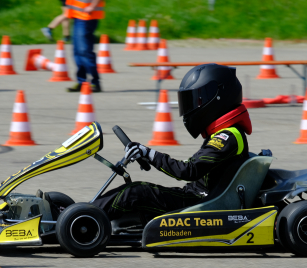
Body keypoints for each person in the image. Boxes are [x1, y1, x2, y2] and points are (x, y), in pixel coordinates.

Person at [92, 63, 253, 221]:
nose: (192, 107)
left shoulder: (227, 137)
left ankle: (87, 216)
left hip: (200, 202)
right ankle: (88, 213)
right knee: (135, 196)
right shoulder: (224, 133)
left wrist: (149, 154)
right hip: (196, 195)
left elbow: (189, 170)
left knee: (136, 192)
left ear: (216, 99)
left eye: (197, 101)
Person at [65, 0, 104, 93]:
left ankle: (95, 82)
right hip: (77, 15)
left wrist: (92, 6)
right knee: (77, 52)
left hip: (87, 16)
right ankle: (81, 82)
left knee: (84, 51)